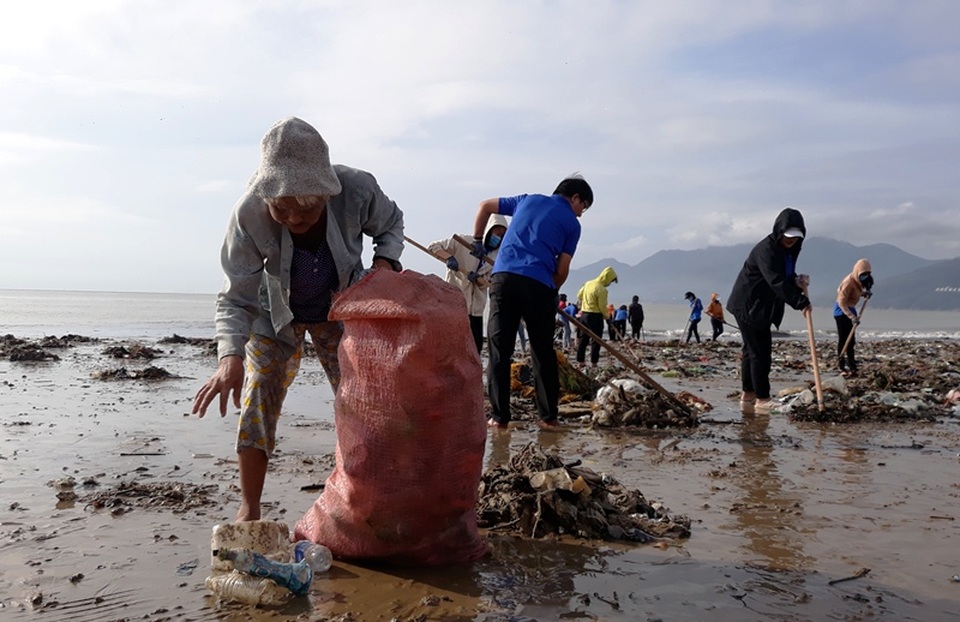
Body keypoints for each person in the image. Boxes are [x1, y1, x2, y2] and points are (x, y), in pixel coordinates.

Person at [192, 117, 404, 521]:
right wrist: (229, 358)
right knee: (257, 399)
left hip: (341, 308)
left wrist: (385, 263)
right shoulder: (249, 215)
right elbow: (236, 296)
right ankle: (249, 508)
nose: (293, 218)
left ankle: (365, 496)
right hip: (275, 317)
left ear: (326, 192)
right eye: (281, 208)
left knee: (359, 401)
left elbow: (392, 224)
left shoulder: (357, 190)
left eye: (305, 208)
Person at [473, 175, 592, 429]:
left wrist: (476, 241)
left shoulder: (524, 201)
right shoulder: (572, 224)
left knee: (499, 351)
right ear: (575, 198)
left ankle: (498, 418)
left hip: (503, 279)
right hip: (538, 284)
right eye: (583, 207)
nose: (581, 214)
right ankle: (548, 418)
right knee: (542, 352)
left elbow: (484, 206)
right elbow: (562, 268)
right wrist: (552, 289)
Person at [727, 207, 811, 415]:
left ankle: (748, 394)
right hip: (749, 305)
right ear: (779, 232)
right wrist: (799, 301)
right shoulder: (767, 250)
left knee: (750, 351)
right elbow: (775, 280)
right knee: (760, 353)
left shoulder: (788, 251)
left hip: (759, 306)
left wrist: (796, 280)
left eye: (795, 238)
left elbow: (784, 277)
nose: (791, 241)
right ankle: (762, 399)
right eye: (788, 237)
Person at [428, 214, 509, 354]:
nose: (499, 238)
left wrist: (478, 279)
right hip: (456, 304)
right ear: (489, 230)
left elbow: (489, 281)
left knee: (475, 349)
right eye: (497, 233)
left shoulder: (496, 257)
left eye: (502, 235)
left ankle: (473, 375)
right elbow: (433, 247)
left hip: (476, 309)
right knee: (452, 348)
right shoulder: (464, 242)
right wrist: (449, 258)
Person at [834, 258, 874, 376]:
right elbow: (841, 302)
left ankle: (852, 365)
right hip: (841, 311)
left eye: (867, 274)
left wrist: (864, 294)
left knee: (851, 341)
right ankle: (841, 364)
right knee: (844, 339)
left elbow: (855, 293)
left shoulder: (858, 282)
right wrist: (851, 317)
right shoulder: (848, 282)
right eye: (863, 274)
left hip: (851, 309)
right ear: (857, 272)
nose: (865, 276)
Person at [576, 266, 618, 366]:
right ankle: (594, 363)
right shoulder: (602, 290)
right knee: (596, 340)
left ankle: (581, 361)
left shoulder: (588, 283)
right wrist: (607, 318)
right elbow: (602, 306)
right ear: (607, 278)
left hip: (584, 315)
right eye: (611, 281)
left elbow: (579, 295)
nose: (609, 284)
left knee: (583, 339)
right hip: (595, 316)